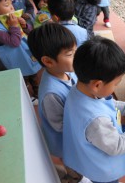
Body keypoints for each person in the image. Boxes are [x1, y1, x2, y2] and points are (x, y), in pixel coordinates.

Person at [63, 36, 125, 183]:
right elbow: (118, 145)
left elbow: (107, 104)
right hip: (101, 170)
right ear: (97, 85)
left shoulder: (79, 90)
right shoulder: (96, 121)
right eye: (116, 84)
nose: (116, 87)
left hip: (85, 155)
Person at [27, 23, 91, 183]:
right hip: (66, 144)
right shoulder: (51, 93)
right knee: (77, 170)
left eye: (76, 51)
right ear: (48, 61)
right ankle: (74, 178)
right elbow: (60, 126)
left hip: (77, 136)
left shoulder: (68, 72)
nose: (76, 57)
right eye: (70, 54)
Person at [0, 0, 41, 97]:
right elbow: (14, 42)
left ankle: (37, 93)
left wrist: (24, 25)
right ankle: (27, 98)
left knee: (34, 76)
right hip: (16, 60)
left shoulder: (10, 18)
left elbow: (28, 32)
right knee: (22, 80)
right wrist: (14, 26)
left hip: (26, 54)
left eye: (11, 3)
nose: (12, 7)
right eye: (6, 5)